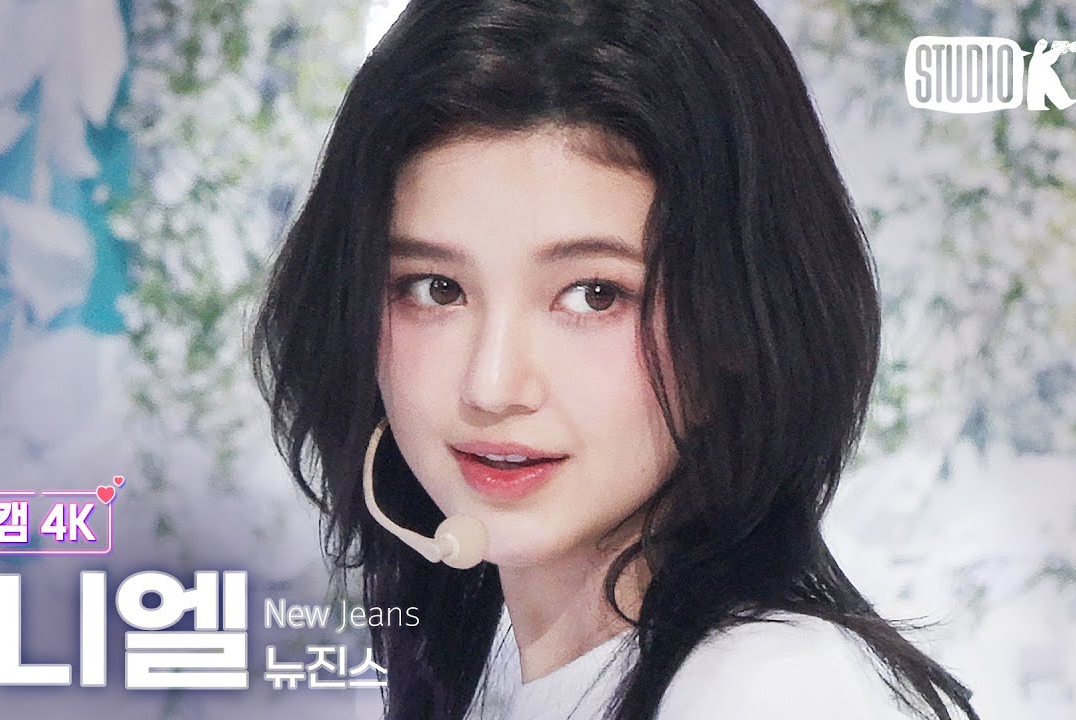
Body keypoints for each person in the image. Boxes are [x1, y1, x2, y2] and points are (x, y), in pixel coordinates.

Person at [251, 1, 981, 718]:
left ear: (737, 323)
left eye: (594, 295)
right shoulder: (506, 675)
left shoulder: (768, 690)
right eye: (436, 289)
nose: (493, 385)